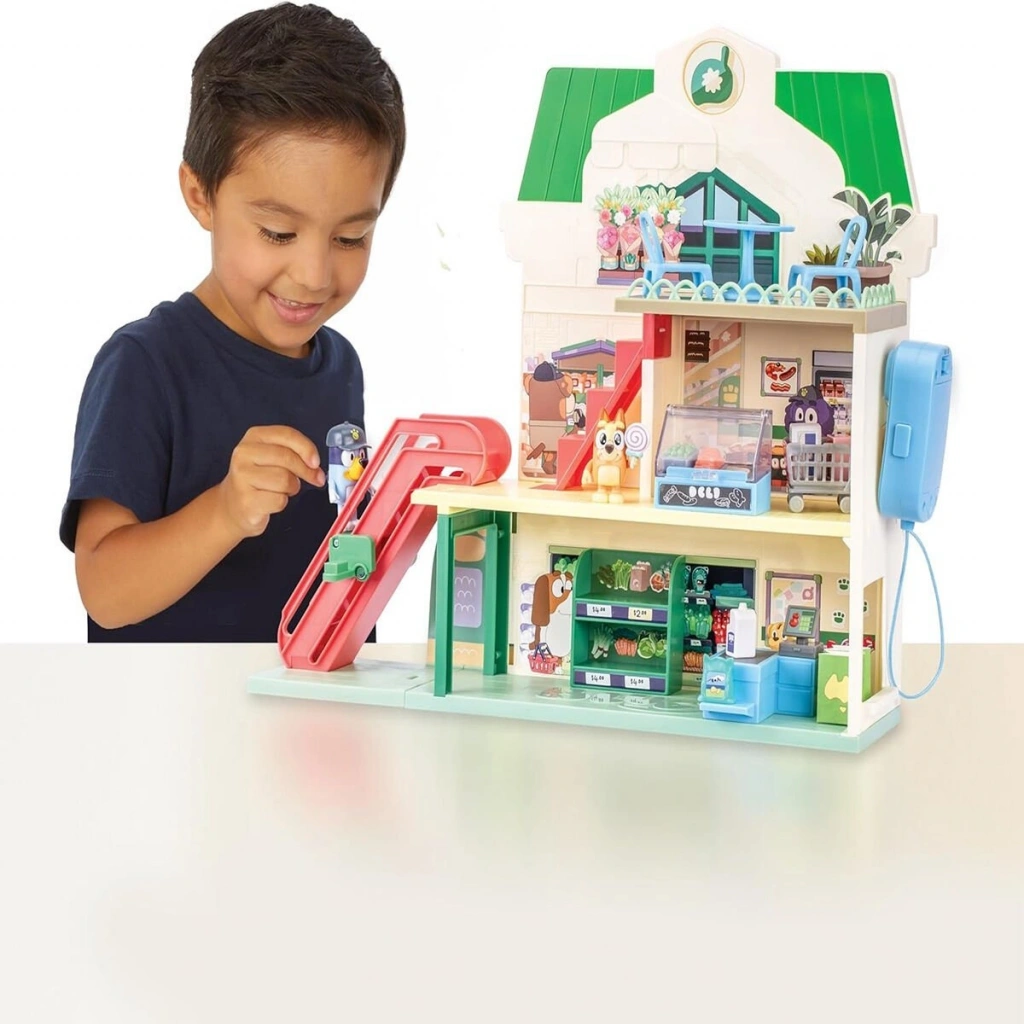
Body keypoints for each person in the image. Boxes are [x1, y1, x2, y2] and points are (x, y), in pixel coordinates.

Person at [59, 3, 404, 642]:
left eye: (351, 237)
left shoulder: (341, 366)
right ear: (201, 196)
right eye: (278, 232)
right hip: (177, 705)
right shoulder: (145, 364)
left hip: (308, 699)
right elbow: (104, 592)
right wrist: (224, 511)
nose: (314, 275)